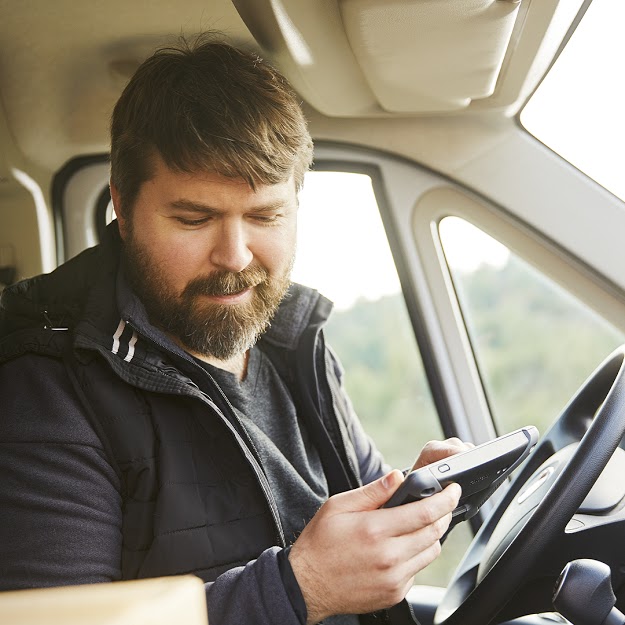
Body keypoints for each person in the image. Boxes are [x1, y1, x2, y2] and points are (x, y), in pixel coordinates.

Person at [0, 35, 465, 624]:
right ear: (121, 206)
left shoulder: (295, 343)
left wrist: (414, 502)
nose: (236, 255)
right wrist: (298, 589)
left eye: (266, 215)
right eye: (194, 219)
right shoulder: (47, 395)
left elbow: (360, 508)